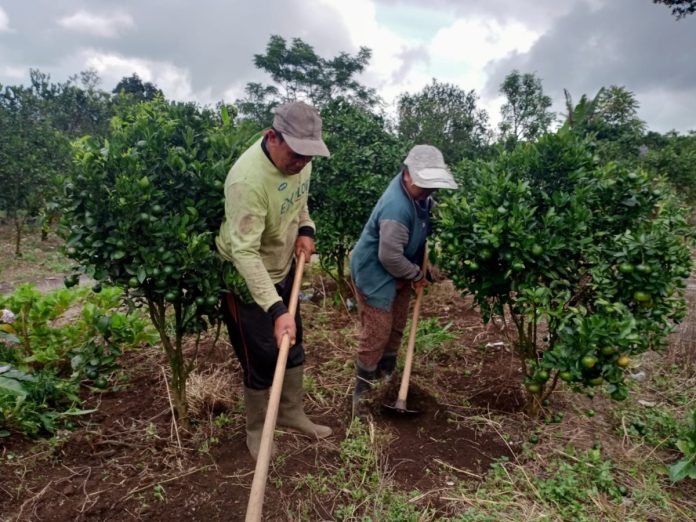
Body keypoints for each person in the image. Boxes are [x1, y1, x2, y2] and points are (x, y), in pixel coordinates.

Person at [216, 101, 332, 460]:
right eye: (296, 154)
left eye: (308, 157)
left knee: (292, 343)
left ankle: (291, 413)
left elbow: (300, 203)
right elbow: (244, 254)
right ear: (272, 137)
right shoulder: (246, 181)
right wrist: (277, 308)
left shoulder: (300, 163)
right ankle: (256, 429)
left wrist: (306, 230)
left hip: (283, 267)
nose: (301, 164)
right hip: (246, 276)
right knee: (261, 355)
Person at [349, 144, 458, 416]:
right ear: (406, 174)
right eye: (425, 185)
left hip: (400, 269)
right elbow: (389, 257)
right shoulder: (396, 208)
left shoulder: (420, 197)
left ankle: (387, 382)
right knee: (377, 332)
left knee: (396, 327)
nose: (429, 191)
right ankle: (362, 395)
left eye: (433, 185)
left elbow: (427, 217)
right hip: (375, 272)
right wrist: (417, 275)